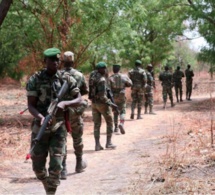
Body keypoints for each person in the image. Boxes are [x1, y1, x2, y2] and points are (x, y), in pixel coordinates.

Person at [26, 48, 81, 194]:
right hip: (40, 127)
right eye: (52, 60)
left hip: (59, 128)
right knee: (38, 168)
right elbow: (30, 105)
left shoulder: (66, 78)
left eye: (58, 60)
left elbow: (79, 98)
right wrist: (41, 117)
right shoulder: (35, 79)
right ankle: (46, 183)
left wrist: (65, 104)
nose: (56, 63)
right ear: (45, 61)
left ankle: (51, 192)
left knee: (56, 167)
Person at [60, 51, 88, 179]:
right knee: (77, 138)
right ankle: (78, 164)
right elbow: (84, 91)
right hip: (75, 111)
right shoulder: (79, 75)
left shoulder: (58, 75)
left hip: (60, 111)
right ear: (73, 62)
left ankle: (63, 169)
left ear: (62, 62)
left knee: (62, 139)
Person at [88, 61, 117, 151]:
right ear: (100, 69)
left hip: (94, 104)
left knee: (97, 125)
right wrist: (112, 104)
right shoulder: (102, 80)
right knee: (110, 122)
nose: (105, 70)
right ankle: (108, 143)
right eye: (103, 68)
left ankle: (97, 145)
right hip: (102, 104)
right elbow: (103, 96)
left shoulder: (92, 75)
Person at [108, 64, 132, 134]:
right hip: (122, 95)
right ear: (119, 69)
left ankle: (115, 128)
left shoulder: (110, 78)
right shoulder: (124, 76)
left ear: (113, 70)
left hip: (113, 97)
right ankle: (121, 123)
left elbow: (108, 88)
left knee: (115, 111)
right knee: (123, 111)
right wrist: (125, 84)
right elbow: (130, 84)